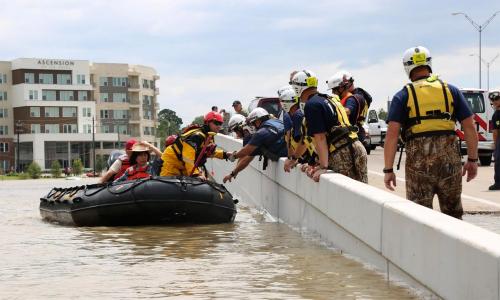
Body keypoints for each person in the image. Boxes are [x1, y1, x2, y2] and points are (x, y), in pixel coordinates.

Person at [384, 46, 478, 219]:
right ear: (429, 64)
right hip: (449, 162)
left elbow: (391, 135)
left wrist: (388, 170)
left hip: (419, 164)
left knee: (419, 218)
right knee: (453, 216)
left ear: (407, 67)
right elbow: (470, 126)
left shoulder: (403, 95)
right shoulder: (451, 91)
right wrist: (472, 159)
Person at [290, 70, 368, 183]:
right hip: (357, 146)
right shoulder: (327, 98)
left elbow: (320, 137)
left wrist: (323, 166)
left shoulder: (311, 105)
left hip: (342, 152)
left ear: (298, 87)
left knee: (347, 194)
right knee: (362, 191)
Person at [160, 111, 234, 178]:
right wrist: (196, 174)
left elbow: (207, 152)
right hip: (170, 164)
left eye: (220, 124)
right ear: (207, 123)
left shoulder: (208, 136)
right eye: (216, 123)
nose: (219, 126)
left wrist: (225, 154)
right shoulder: (197, 136)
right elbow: (187, 157)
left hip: (183, 167)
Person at [223, 107, 287, 182]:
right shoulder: (276, 121)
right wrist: (234, 172)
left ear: (258, 120)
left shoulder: (260, 133)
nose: (252, 125)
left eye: (253, 123)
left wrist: (234, 156)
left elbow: (246, 152)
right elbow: (245, 155)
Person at [277, 85, 317, 172]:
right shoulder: (293, 114)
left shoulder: (297, 115)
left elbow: (303, 141)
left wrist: (292, 158)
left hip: (310, 154)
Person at [326, 71, 372, 144]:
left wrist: (329, 112)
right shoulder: (354, 96)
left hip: (354, 134)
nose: (333, 92)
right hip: (355, 132)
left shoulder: (353, 98)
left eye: (334, 89)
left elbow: (348, 110)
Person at [489, 90, 500, 190]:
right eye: (493, 100)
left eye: (497, 99)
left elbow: (496, 132)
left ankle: (498, 183)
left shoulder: (496, 114)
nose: (495, 101)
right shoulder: (495, 114)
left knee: (498, 160)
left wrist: (496, 145)